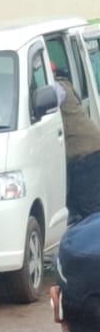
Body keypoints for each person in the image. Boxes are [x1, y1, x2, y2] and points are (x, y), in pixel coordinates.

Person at [55, 68, 100, 223]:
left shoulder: (57, 88)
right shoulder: (67, 85)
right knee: (81, 205)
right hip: (91, 149)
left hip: (85, 155)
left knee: (91, 206)